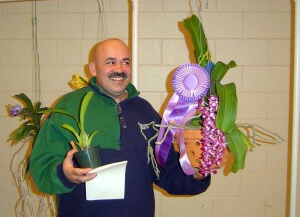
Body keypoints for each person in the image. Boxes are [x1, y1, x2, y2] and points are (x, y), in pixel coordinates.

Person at [29, 38, 211, 217]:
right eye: (110, 62)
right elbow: (41, 169)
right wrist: (64, 174)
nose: (119, 69)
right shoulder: (69, 107)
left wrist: (197, 171)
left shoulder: (145, 111)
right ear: (93, 69)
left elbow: (167, 172)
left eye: (125, 62)